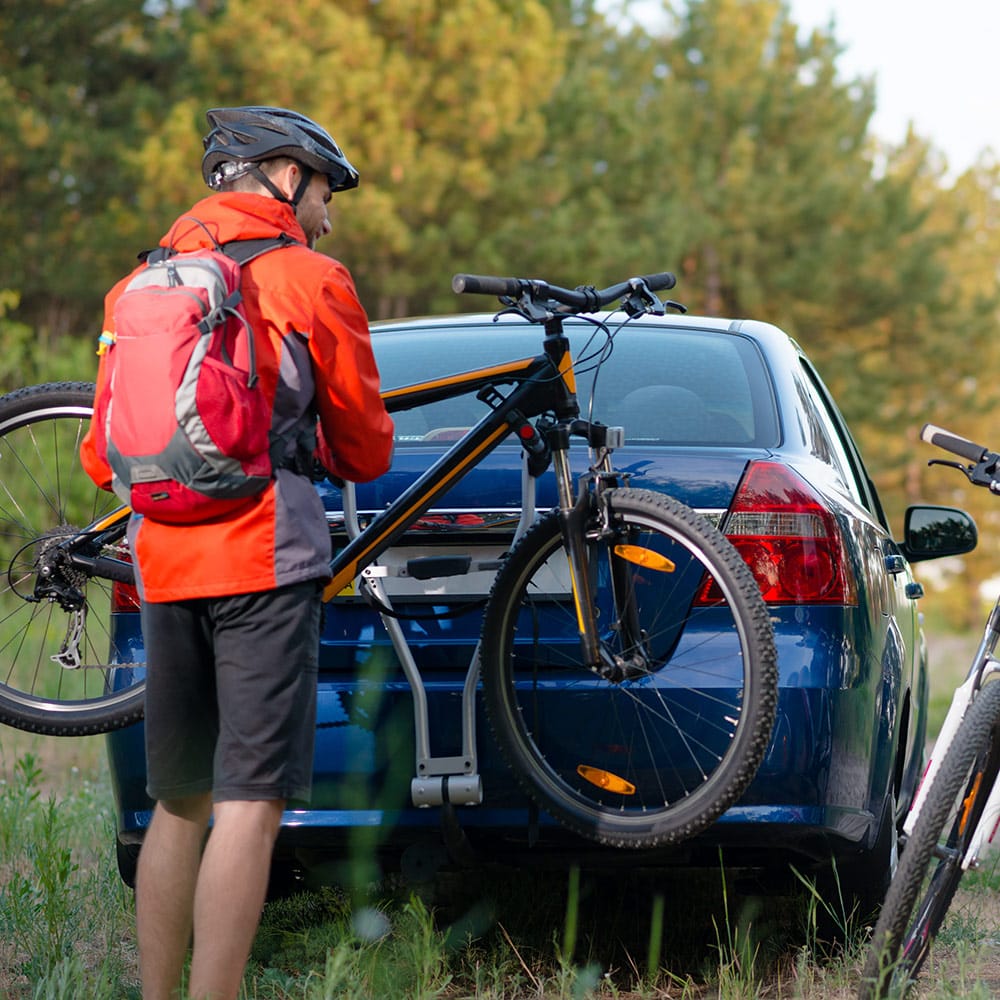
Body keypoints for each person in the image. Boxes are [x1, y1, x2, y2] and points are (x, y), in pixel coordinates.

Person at [81, 106, 394, 1000]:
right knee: (251, 804)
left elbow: (101, 455)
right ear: (286, 178)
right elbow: (367, 449)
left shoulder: (134, 287)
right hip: (264, 562)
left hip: (162, 569)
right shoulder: (311, 279)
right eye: (326, 190)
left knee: (179, 800)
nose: (329, 213)